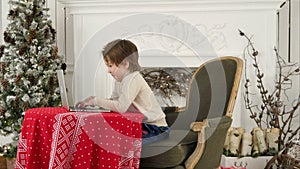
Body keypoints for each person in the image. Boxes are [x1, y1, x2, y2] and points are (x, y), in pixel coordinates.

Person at [76, 39, 170, 144]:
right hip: (143, 125)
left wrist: (96, 101)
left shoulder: (133, 79)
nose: (108, 71)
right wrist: (94, 103)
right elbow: (114, 102)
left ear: (125, 64)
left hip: (156, 128)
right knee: (109, 136)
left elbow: (121, 107)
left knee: (122, 143)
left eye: (110, 66)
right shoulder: (120, 80)